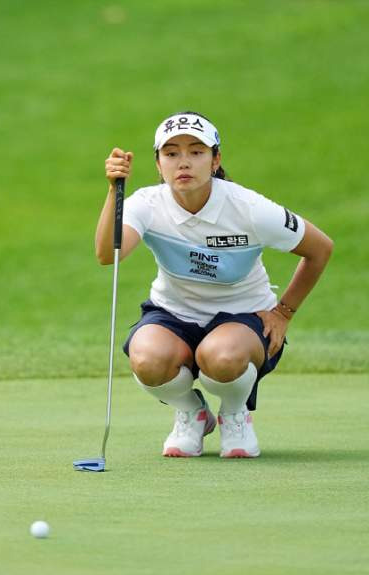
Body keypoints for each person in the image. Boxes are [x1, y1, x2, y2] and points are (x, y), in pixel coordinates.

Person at [96, 111, 333, 458]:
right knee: (147, 359)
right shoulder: (147, 204)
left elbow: (320, 249)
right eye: (171, 153)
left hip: (243, 317)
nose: (183, 162)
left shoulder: (249, 207)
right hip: (173, 314)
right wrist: (113, 190)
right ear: (159, 164)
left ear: (216, 159)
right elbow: (107, 254)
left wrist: (283, 312)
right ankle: (193, 413)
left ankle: (235, 413)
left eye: (196, 152)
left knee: (220, 356)